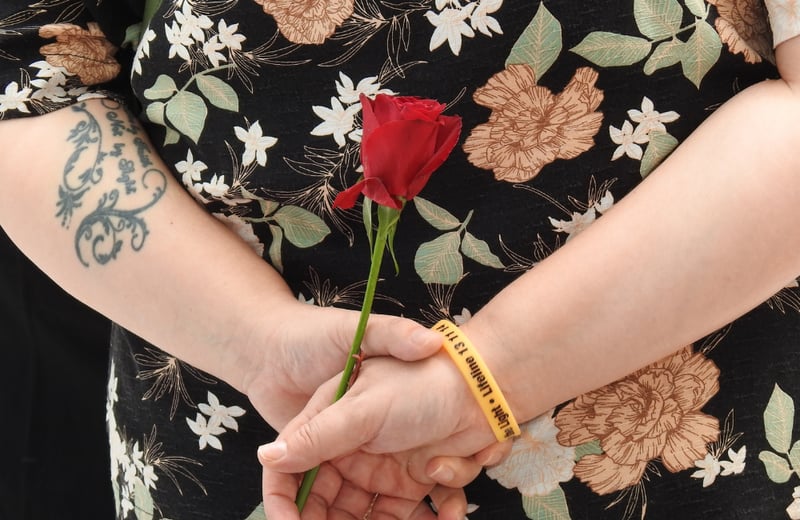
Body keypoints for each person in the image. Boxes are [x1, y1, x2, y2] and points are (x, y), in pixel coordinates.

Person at [1, 1, 798, 520]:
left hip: (672, 469)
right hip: (260, 455)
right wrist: (258, 343)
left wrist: (485, 376)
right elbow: (26, 82)